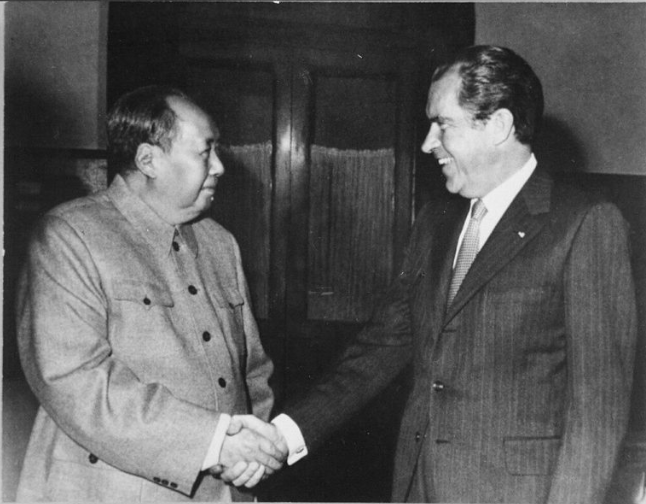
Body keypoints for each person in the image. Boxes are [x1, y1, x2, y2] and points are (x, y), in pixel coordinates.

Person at [223, 45, 639, 503]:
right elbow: (380, 348)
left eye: (443, 124)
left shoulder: (584, 224)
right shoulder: (436, 223)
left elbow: (597, 414)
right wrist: (284, 435)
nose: (427, 143)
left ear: (498, 125)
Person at [15, 85, 287, 502]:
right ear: (148, 160)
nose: (219, 167)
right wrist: (215, 444)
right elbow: (75, 381)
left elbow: (252, 374)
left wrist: (252, 453)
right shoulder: (69, 238)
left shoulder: (221, 244)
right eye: (205, 151)